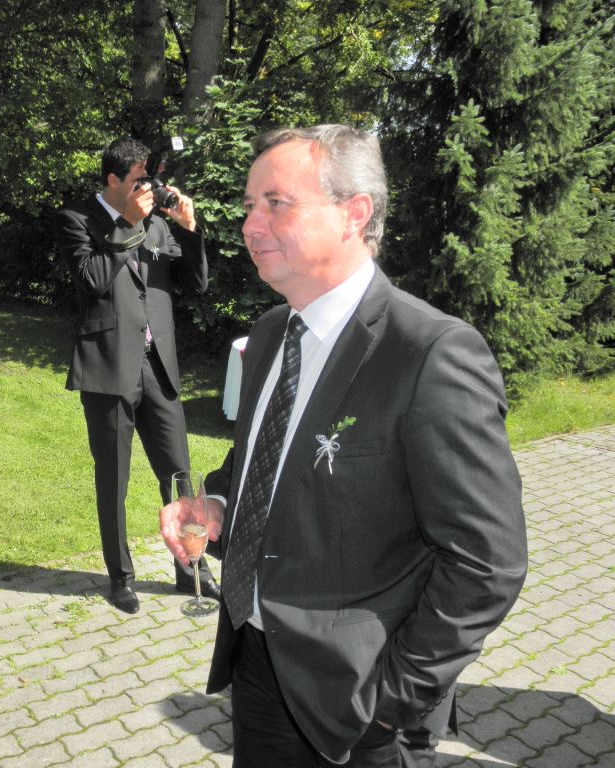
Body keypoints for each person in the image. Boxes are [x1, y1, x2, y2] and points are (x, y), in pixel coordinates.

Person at [160, 124, 527, 766]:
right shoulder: (271, 334)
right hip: (254, 658)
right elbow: (260, 463)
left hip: (355, 701)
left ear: (354, 213)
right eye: (249, 205)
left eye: (276, 203)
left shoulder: (429, 353)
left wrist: (391, 699)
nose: (250, 224)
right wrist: (216, 502)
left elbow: (487, 561)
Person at [54, 137, 217, 614]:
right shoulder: (77, 220)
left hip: (158, 367)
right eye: (139, 180)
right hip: (108, 368)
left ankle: (192, 569)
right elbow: (91, 280)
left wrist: (189, 229)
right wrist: (128, 223)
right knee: (114, 480)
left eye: (151, 179)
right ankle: (120, 576)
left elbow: (196, 283)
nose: (149, 188)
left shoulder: (158, 222)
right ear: (113, 180)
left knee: (180, 475)